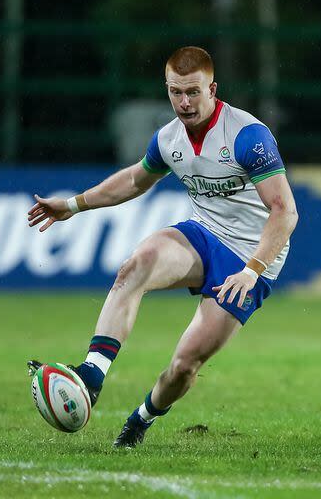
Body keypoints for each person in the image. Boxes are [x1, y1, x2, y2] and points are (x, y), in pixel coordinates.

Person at [27, 46, 298, 448]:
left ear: (213, 88)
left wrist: (252, 269)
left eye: (193, 92)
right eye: (175, 92)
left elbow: (285, 212)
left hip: (250, 256)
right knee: (138, 263)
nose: (184, 103)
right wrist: (72, 205)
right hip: (204, 234)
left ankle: (141, 418)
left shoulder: (246, 136)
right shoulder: (169, 138)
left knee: (185, 366)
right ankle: (92, 373)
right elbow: (136, 179)